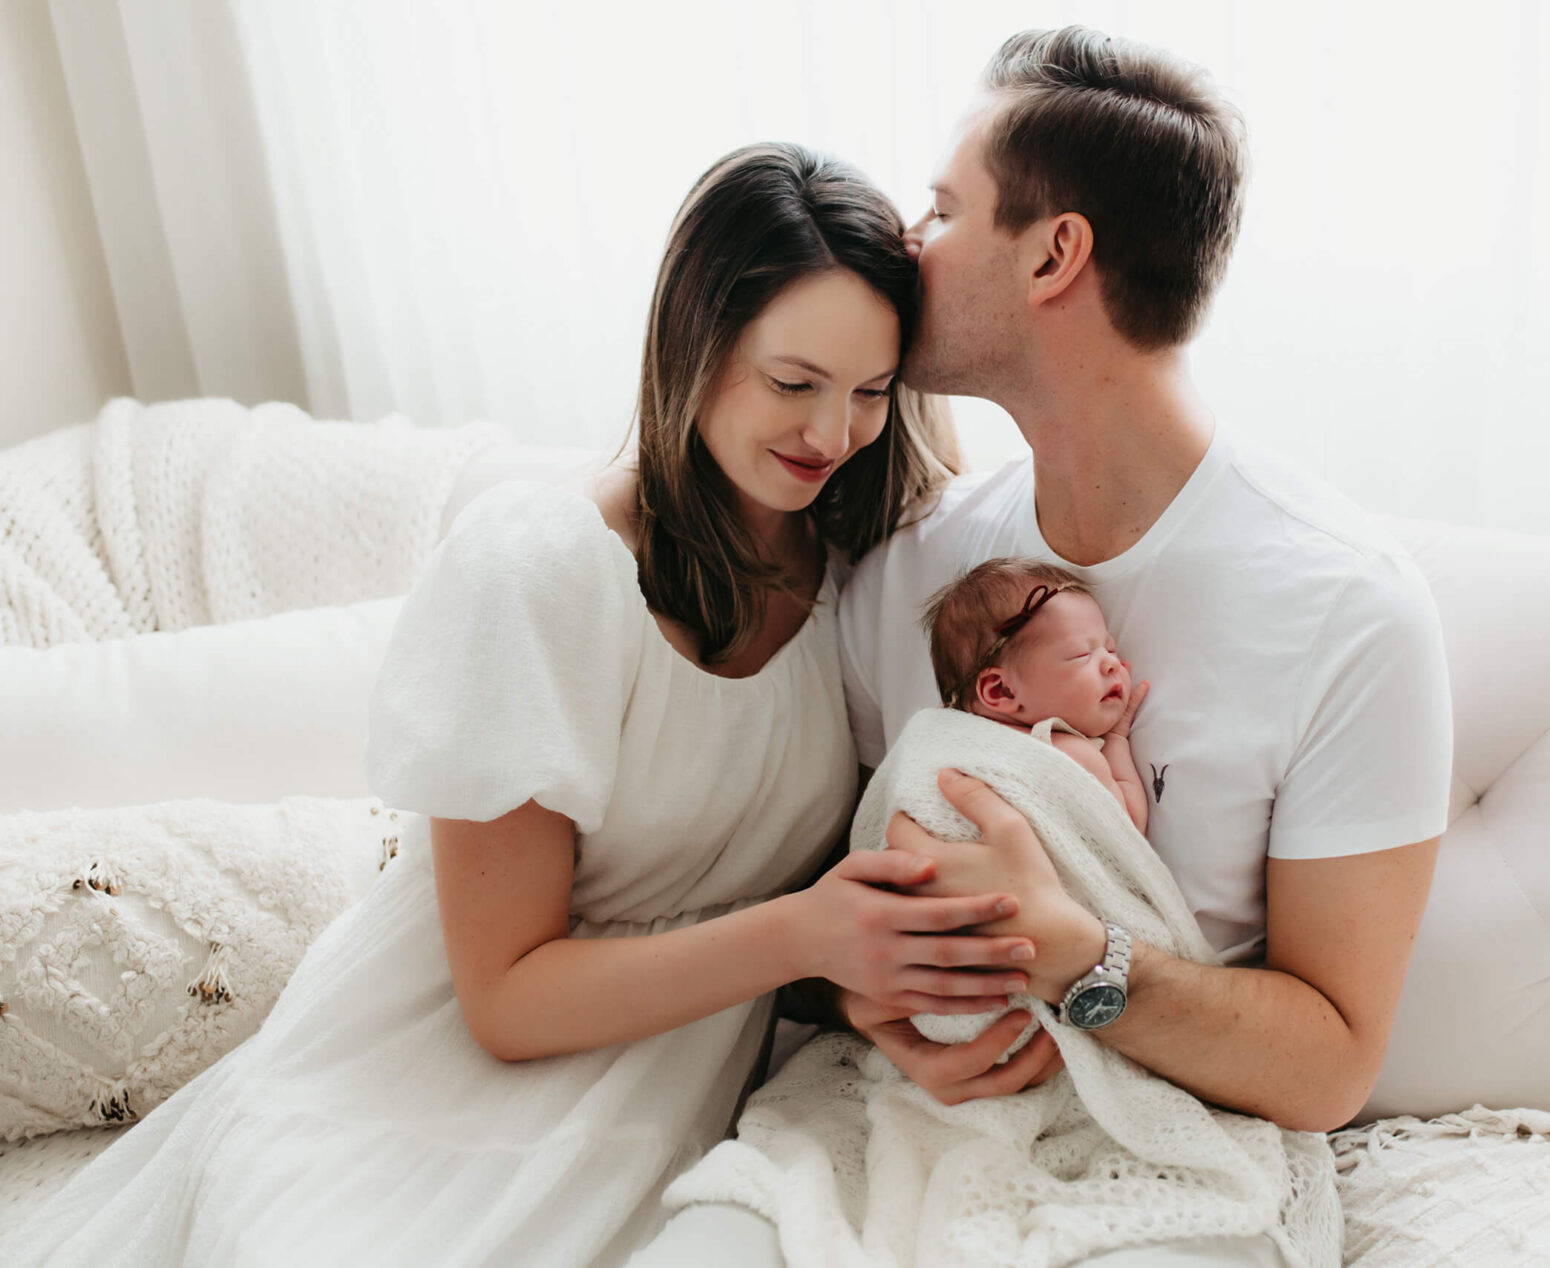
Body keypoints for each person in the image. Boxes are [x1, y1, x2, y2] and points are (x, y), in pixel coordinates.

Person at [0, 142, 1023, 1268]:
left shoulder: (855, 573)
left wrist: (862, 985)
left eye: (870, 392)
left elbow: (785, 904)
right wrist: (805, 934)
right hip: (425, 1109)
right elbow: (503, 996)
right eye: (793, 383)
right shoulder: (543, 570)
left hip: (652, 1117)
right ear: (693, 347)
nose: (832, 436)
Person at [652, 25, 1454, 1268]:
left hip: (1152, 1134)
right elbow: (822, 901)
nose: (908, 242)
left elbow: (1331, 1062)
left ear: (1052, 253)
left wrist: (1077, 951)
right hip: (895, 1110)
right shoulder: (910, 560)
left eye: (943, 207)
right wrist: (862, 989)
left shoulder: (1346, 609)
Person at [925, 557, 1150, 829]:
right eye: (1082, 654)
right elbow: (1128, 832)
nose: (1112, 663)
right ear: (1002, 690)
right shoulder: (1073, 755)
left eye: (1110, 648)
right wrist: (1116, 739)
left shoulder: (950, 741)